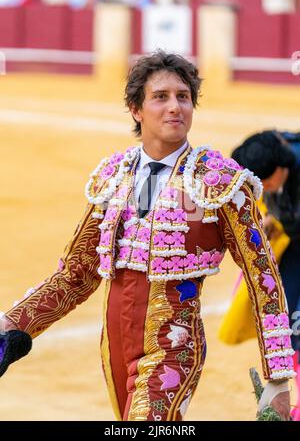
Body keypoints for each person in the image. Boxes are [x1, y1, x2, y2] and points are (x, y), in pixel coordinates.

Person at [0, 53, 295, 421]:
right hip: (114, 346)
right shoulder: (113, 177)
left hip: (174, 347)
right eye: (161, 97)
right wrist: (12, 324)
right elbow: (77, 274)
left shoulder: (220, 182)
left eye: (183, 96)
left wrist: (279, 378)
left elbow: (262, 277)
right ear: (135, 109)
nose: (175, 107)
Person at [229, 130, 300, 421]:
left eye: (263, 181)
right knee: (287, 319)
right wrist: (274, 219)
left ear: (280, 171)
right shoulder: (274, 150)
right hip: (296, 247)